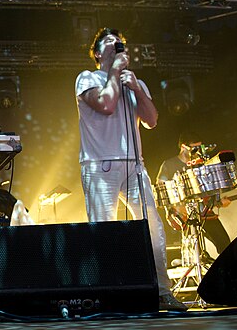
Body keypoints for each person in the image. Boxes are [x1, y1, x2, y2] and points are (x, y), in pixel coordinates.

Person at [75, 28, 186, 311]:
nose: (117, 48)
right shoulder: (87, 78)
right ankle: (107, 295)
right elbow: (106, 105)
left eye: (119, 44)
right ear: (98, 53)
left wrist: (136, 87)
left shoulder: (133, 82)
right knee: (104, 230)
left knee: (153, 227)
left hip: (135, 166)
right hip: (100, 167)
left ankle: (162, 292)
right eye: (109, 45)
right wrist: (114, 74)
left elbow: (151, 120)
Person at [156, 132, 232, 257]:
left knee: (225, 244)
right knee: (194, 250)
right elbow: (161, 190)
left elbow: (209, 189)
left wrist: (218, 201)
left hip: (203, 211)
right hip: (182, 215)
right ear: (183, 147)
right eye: (195, 148)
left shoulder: (201, 164)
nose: (198, 152)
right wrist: (172, 210)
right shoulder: (169, 165)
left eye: (200, 148)